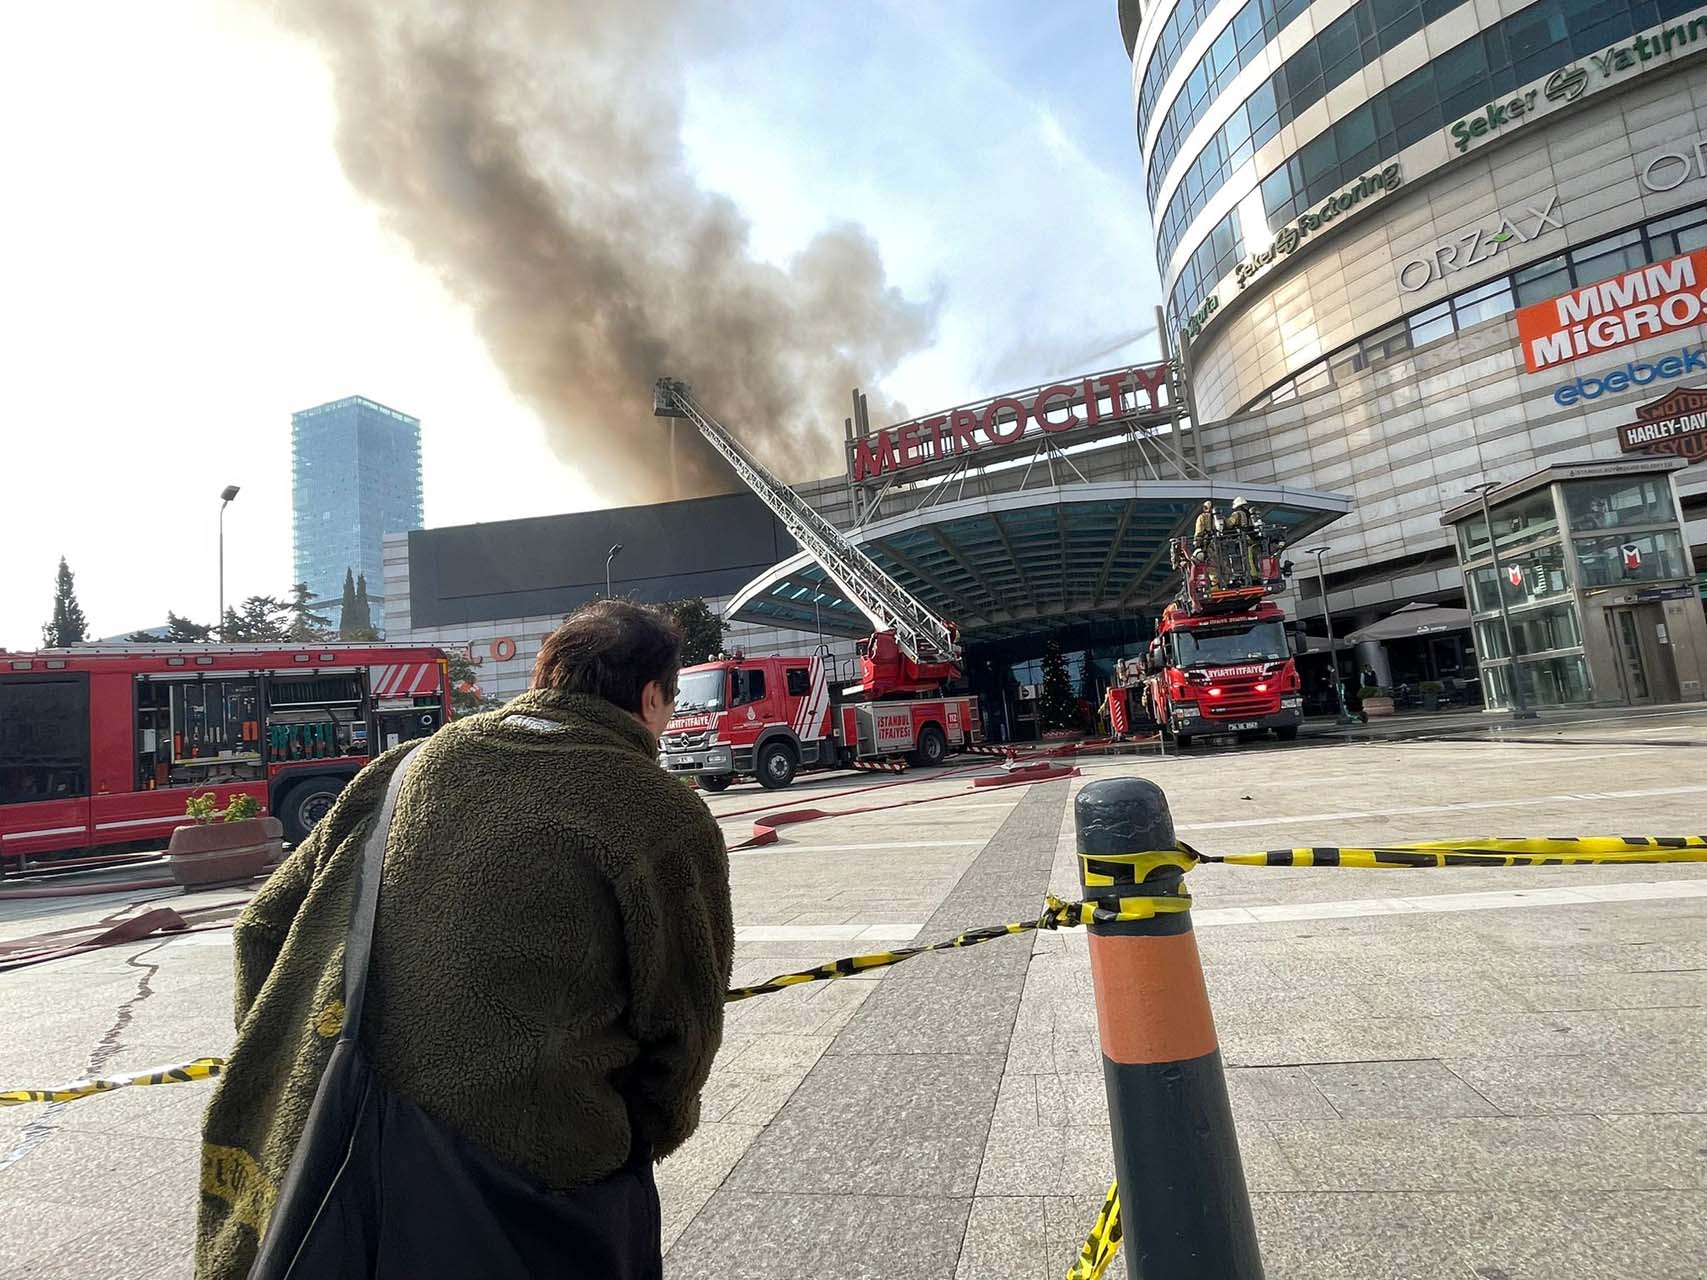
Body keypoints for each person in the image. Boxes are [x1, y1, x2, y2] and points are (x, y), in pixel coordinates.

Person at [197, 600, 734, 1280]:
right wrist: (627, 1140)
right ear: (653, 695)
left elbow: (262, 928)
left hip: (344, 1159)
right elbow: (682, 1029)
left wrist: (295, 1069)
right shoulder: (659, 809)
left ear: (548, 676)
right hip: (544, 1187)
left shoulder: (405, 766)